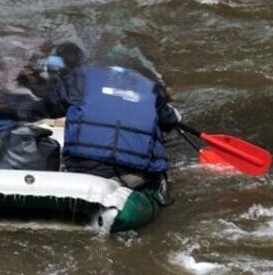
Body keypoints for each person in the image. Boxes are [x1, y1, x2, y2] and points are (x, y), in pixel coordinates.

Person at [57, 62, 181, 204]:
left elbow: (57, 105)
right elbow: (170, 121)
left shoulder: (82, 78)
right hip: (127, 175)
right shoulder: (151, 88)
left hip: (79, 168)